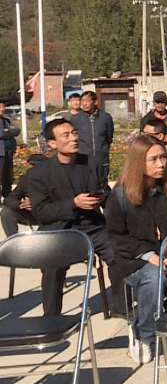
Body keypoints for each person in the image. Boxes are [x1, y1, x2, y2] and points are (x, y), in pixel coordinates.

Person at [106, 135, 167, 364]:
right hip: (136, 258)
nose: (161, 164)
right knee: (154, 281)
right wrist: (149, 255)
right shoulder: (120, 196)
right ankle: (144, 334)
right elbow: (117, 236)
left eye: (163, 158)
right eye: (153, 159)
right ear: (139, 163)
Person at [28, 119, 122, 317]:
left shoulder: (92, 163)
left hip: (93, 227)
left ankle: (123, 308)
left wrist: (102, 198)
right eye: (66, 135)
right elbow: (40, 211)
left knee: (119, 253)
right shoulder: (39, 173)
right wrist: (73, 203)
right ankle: (52, 319)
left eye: (74, 133)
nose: (74, 138)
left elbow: (106, 193)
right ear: (52, 143)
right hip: (59, 231)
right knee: (52, 266)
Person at [69, 90, 114, 179]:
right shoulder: (75, 119)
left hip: (101, 157)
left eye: (87, 101)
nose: (84, 104)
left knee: (102, 186)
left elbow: (109, 136)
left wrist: (103, 149)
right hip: (83, 158)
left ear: (95, 102)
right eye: (82, 101)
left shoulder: (105, 117)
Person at [2, 153, 45, 237]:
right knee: (6, 212)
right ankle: (13, 240)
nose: (32, 168)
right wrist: (21, 204)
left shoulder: (53, 179)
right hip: (30, 214)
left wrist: (37, 204)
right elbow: (9, 199)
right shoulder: (26, 179)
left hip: (49, 214)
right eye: (30, 165)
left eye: (35, 165)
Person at [0, 101, 21, 198]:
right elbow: (1, 134)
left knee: (8, 174)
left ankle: (7, 196)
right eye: (0, 107)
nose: (2, 109)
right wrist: (9, 132)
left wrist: (9, 131)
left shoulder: (6, 120)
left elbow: (17, 130)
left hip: (9, 150)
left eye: (3, 106)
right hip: (1, 152)